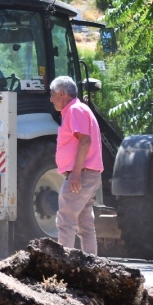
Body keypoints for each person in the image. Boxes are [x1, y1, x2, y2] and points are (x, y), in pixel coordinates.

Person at [49, 75, 103, 256]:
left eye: (52, 95)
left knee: (65, 221)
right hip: (89, 174)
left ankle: (63, 266)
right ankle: (92, 267)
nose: (51, 99)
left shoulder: (74, 111)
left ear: (61, 94)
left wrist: (76, 173)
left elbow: (85, 141)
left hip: (82, 174)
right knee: (85, 225)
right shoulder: (79, 109)